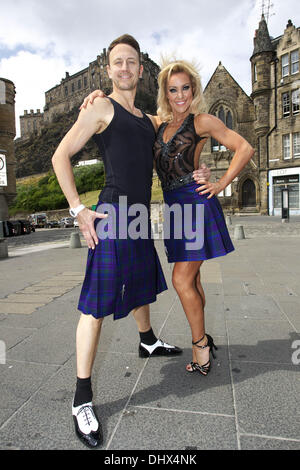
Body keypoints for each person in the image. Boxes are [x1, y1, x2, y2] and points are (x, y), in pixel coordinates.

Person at [51, 35, 188, 449]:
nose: (125, 68)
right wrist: (78, 209)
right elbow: (61, 156)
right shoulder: (100, 106)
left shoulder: (148, 120)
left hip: (139, 216)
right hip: (110, 215)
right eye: (117, 62)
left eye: (131, 62)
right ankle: (81, 398)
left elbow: (179, 128)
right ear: (107, 70)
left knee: (142, 284)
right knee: (95, 305)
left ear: (140, 70)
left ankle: (147, 340)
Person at [82, 57, 255, 379]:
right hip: (175, 209)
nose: (179, 96)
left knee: (181, 279)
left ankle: (200, 345)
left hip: (195, 203)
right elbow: (121, 110)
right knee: (193, 279)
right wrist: (98, 95)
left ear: (194, 90)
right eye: (172, 89)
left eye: (185, 88)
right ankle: (204, 337)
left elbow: (243, 148)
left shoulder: (202, 121)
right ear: (164, 92)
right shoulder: (156, 122)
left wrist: (219, 184)